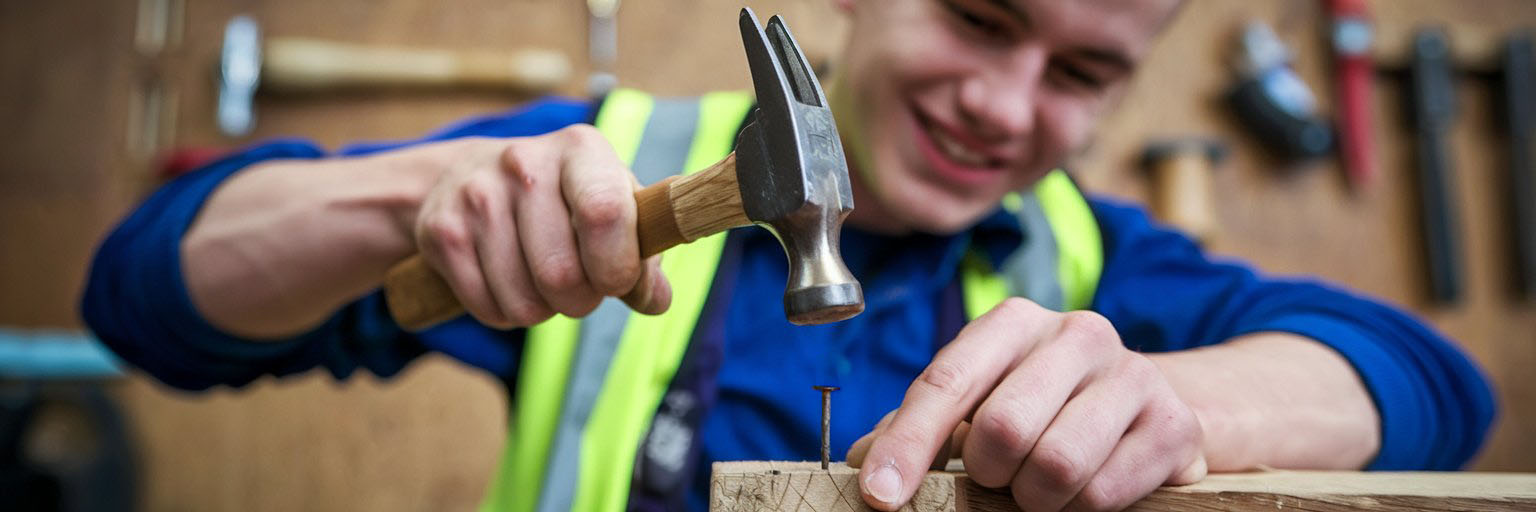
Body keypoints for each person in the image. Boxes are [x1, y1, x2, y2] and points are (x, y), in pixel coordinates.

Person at [82, 0, 1496, 511]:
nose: (1002, 108)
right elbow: (143, 301)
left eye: (1080, 72)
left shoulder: (1098, 268)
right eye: (980, 17)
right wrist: (402, 198)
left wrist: (1193, 409)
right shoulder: (601, 162)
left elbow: (1432, 389)